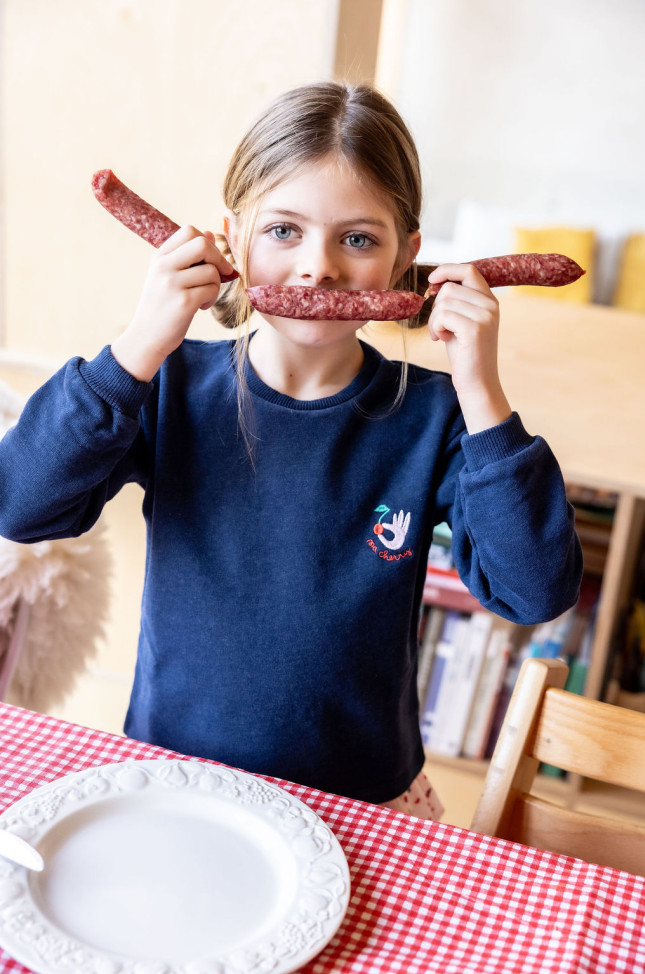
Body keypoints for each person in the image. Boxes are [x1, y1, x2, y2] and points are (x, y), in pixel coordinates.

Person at [0, 82, 582, 819]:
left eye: (359, 239)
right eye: (283, 232)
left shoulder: (436, 416)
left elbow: (534, 590)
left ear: (407, 256)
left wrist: (482, 392)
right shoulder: (172, 385)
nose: (318, 267)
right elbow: (20, 504)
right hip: (176, 785)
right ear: (232, 238)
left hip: (367, 805)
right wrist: (136, 348)